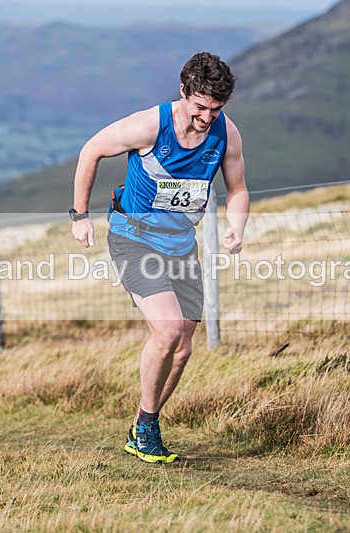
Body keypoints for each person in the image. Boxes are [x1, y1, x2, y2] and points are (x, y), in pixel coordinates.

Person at [71, 52, 249, 464]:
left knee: (183, 348)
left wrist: (237, 227)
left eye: (216, 109)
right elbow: (91, 150)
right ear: (184, 91)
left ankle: (140, 423)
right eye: (200, 106)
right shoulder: (151, 125)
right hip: (134, 237)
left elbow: (238, 189)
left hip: (180, 245)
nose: (206, 117)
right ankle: (148, 428)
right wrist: (79, 216)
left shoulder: (227, 134)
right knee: (168, 331)